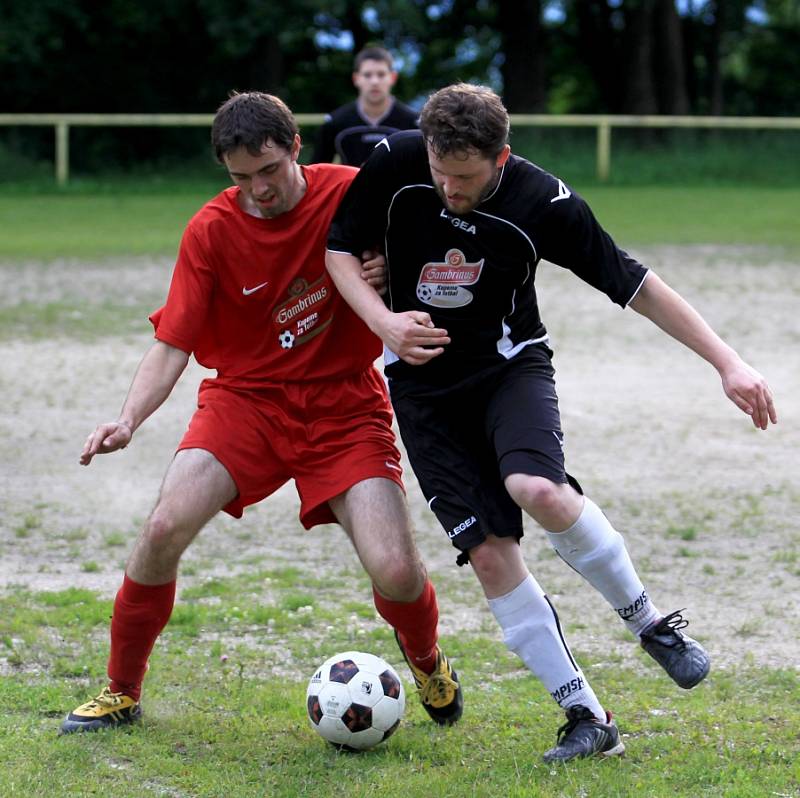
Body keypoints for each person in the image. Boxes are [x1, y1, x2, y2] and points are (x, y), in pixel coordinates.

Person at [326, 83, 777, 763]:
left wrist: (728, 363)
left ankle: (650, 623)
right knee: (486, 552)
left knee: (538, 490)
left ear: (501, 157)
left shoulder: (544, 201)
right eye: (440, 173)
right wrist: (384, 320)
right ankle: (586, 716)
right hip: (421, 393)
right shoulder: (395, 162)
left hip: (511, 369)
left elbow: (634, 282)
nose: (449, 188)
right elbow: (339, 251)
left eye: (466, 178)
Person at [60, 91, 463, 735]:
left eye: (269, 170)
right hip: (245, 402)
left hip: (344, 405)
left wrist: (388, 272)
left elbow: (435, 250)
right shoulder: (211, 230)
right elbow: (173, 344)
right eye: (241, 177)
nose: (259, 189)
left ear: (295, 147)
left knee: (395, 568)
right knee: (163, 527)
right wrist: (128, 419)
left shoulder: (355, 192)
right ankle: (121, 691)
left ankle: (426, 661)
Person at [310, 45, 418, 166]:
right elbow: (318, 172)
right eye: (367, 75)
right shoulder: (335, 123)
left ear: (393, 77)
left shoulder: (413, 123)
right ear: (356, 78)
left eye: (381, 74)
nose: (374, 81)